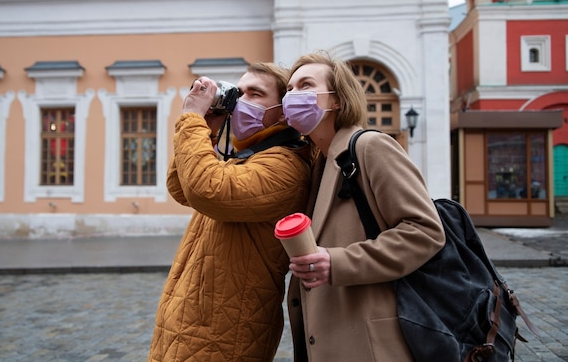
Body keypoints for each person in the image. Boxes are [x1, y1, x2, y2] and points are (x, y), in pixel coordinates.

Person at [281, 52, 446, 362]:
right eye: (289, 89)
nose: (292, 95)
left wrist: (338, 262)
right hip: (330, 337)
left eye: (305, 85)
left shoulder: (370, 146)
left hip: (372, 343)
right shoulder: (320, 160)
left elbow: (425, 231)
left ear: (337, 101)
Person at [148, 62, 315, 362]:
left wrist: (191, 119)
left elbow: (204, 189)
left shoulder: (286, 167)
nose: (242, 101)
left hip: (225, 331)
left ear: (283, 111)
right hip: (194, 318)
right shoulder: (251, 157)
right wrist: (209, 131)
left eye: (256, 93)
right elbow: (181, 188)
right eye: (240, 93)